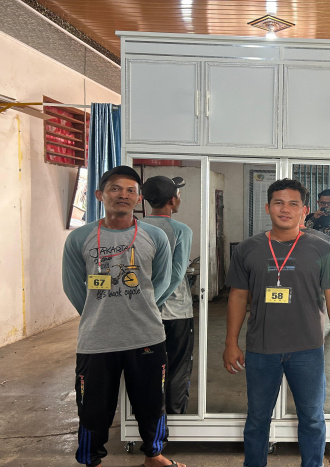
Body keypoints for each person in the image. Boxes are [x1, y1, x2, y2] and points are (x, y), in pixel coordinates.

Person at [62, 166, 186, 467]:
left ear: (139, 198)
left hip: (146, 336)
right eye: (115, 188)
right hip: (96, 340)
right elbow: (73, 286)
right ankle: (91, 460)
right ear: (99, 195)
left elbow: (162, 281)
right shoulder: (80, 238)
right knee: (92, 407)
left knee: (151, 403)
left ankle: (154, 456)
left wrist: (143, 306)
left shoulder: (154, 236)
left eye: (131, 190)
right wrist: (97, 313)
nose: (123, 195)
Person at [222, 178, 330, 467]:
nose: (285, 209)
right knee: (257, 419)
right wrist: (231, 342)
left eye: (293, 204)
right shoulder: (248, 249)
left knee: (312, 418)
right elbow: (238, 297)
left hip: (308, 349)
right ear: (267, 207)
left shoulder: (322, 248)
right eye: (278, 203)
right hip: (261, 349)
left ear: (304, 210)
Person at [140, 175, 195, 415]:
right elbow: (177, 274)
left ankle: (149, 419)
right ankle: (174, 417)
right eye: (178, 195)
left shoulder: (137, 227)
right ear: (173, 200)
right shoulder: (181, 230)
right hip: (176, 312)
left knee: (147, 367)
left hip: (141, 310)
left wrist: (147, 305)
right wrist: (156, 302)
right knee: (177, 367)